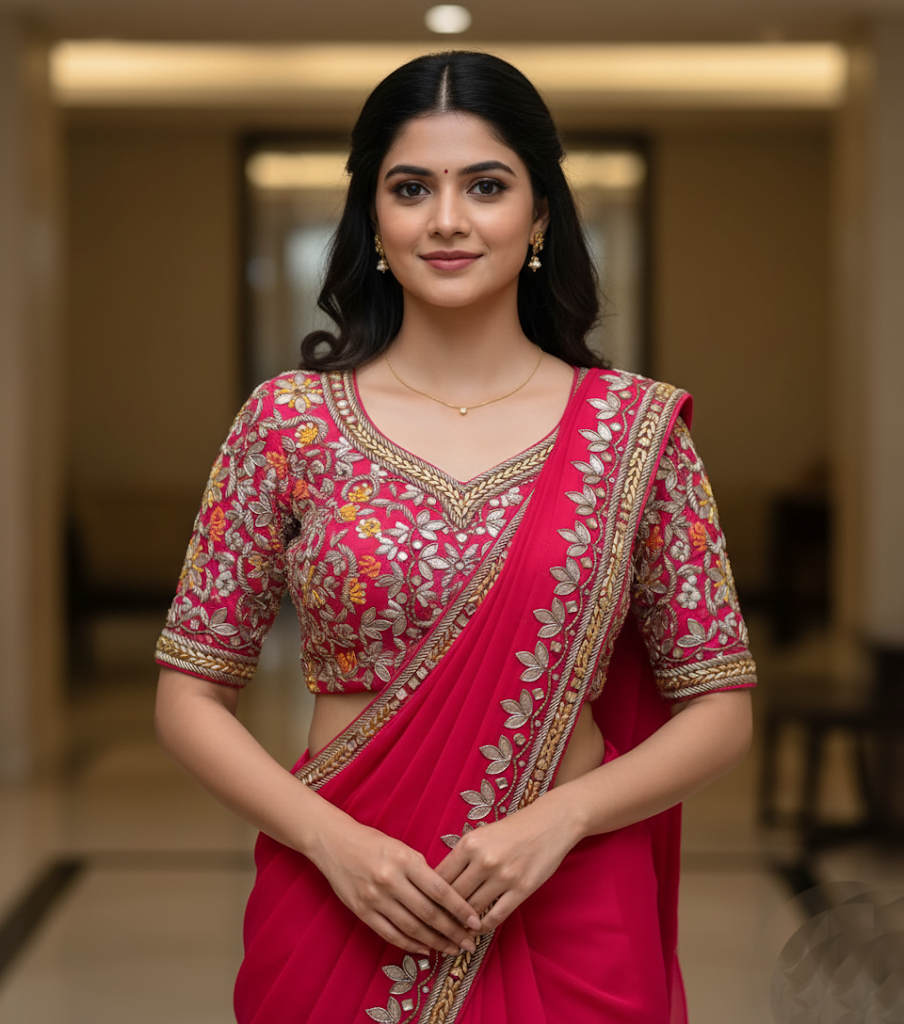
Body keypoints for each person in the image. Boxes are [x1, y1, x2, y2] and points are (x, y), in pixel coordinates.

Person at [154, 50, 755, 1024]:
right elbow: (188, 695)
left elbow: (720, 707)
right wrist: (333, 843)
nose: (446, 218)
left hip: (567, 890)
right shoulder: (287, 422)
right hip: (343, 889)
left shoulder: (637, 434)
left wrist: (557, 821)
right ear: (374, 221)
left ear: (540, 215)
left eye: (485, 185)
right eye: (409, 187)